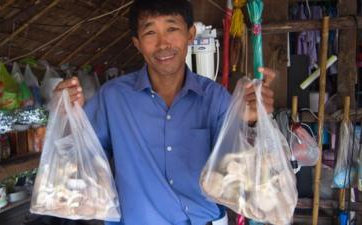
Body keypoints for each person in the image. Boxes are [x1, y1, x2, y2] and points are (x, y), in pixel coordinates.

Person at [55, 0, 275, 224]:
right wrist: (68, 118)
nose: (163, 44)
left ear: (190, 35)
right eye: (150, 32)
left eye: (172, 29)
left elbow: (239, 171)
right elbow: (80, 159)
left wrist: (253, 123)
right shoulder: (113, 97)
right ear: (137, 43)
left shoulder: (215, 98)